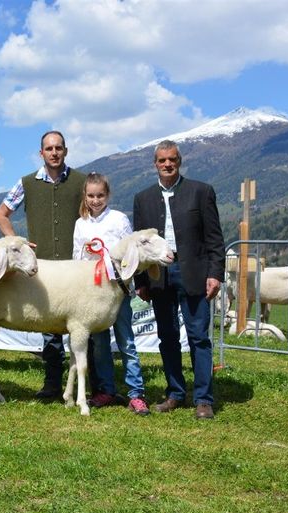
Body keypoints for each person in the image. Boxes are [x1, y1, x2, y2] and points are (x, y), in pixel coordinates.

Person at [133, 140, 225, 420]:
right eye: (162, 160)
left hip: (195, 273)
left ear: (179, 161)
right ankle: (174, 393)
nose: (167, 164)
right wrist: (141, 281)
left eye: (172, 159)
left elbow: (214, 238)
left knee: (199, 338)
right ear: (155, 164)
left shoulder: (201, 192)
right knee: (167, 337)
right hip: (159, 276)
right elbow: (139, 243)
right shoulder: (143, 198)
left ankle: (203, 399)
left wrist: (215, 273)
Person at [0, 130, 85, 400]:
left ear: (65, 151)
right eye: (49, 148)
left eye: (58, 148)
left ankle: (86, 384)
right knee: (50, 328)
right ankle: (52, 384)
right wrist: (17, 243)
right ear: (41, 153)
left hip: (75, 266)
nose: (54, 152)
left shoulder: (81, 182)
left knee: (81, 327)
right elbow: (1, 214)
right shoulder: (26, 183)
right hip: (42, 266)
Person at [72, 173, 150, 415]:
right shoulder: (80, 223)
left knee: (126, 340)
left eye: (100, 195)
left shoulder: (119, 219)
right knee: (100, 343)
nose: (96, 200)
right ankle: (106, 389)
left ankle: (136, 393)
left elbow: (131, 251)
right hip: (93, 294)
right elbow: (77, 257)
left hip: (119, 290)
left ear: (108, 195)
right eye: (91, 196)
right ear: (85, 196)